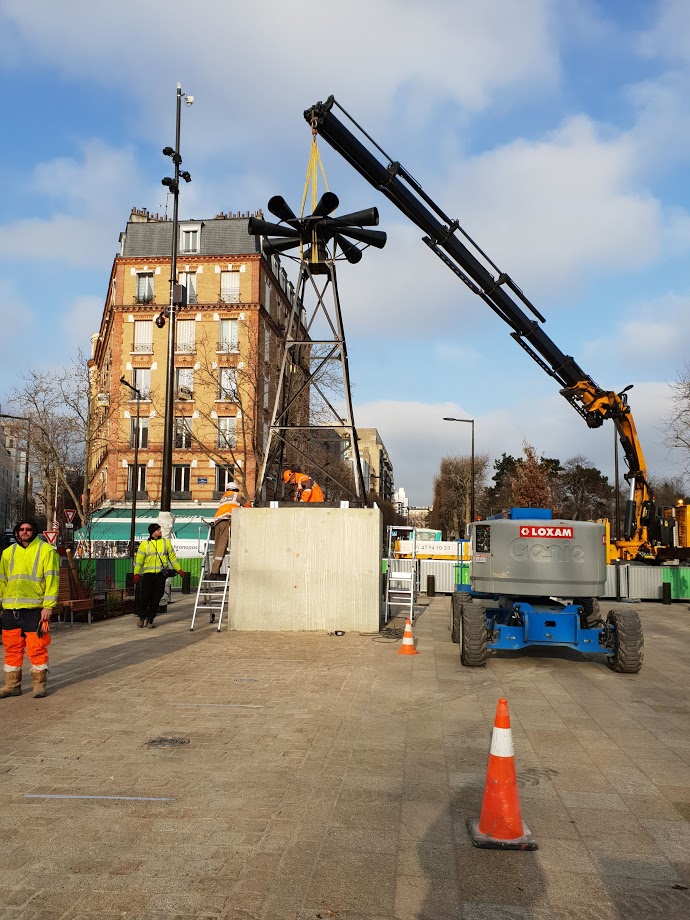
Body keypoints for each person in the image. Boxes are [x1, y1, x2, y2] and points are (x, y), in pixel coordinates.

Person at [0, 519, 60, 699]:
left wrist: (48, 606)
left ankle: (39, 684)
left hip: (35, 609)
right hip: (11, 609)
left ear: (34, 531)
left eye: (28, 529)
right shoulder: (7, 553)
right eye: (21, 529)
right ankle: (12, 685)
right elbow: (2, 580)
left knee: (37, 647)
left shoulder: (46, 550)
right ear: (17, 532)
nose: (24, 532)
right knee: (11, 648)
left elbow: (52, 580)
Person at [133, 523, 184, 628]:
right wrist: (136, 573)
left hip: (160, 576)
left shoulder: (166, 543)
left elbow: (173, 558)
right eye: (158, 530)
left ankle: (150, 619)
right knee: (145, 598)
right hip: (148, 575)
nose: (160, 531)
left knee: (156, 599)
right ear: (153, 532)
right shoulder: (144, 544)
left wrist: (179, 570)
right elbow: (139, 561)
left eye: (160, 529)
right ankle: (142, 617)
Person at [210, 482, 243, 578]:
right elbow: (248, 506)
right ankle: (214, 572)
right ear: (236, 489)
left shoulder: (223, 497)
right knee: (222, 546)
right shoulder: (236, 496)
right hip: (226, 521)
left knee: (217, 547)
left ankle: (214, 570)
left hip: (217, 521)